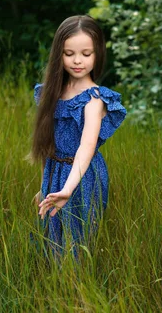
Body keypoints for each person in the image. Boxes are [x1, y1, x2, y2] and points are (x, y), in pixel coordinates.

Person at [28, 14, 127, 261]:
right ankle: (55, 290)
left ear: (98, 54)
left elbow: (86, 148)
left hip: (82, 177)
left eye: (86, 53)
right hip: (54, 171)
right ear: (58, 54)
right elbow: (47, 144)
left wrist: (67, 189)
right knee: (51, 238)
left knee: (76, 242)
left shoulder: (93, 99)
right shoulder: (51, 93)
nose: (77, 61)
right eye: (69, 53)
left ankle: (77, 292)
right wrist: (45, 186)